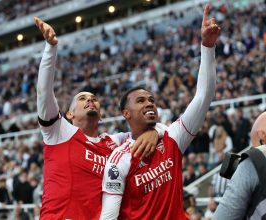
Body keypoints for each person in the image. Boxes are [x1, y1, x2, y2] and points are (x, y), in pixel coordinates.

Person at [34, 17, 166, 219]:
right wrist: (50, 49)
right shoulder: (58, 133)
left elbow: (163, 129)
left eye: (94, 98)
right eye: (82, 98)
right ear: (69, 114)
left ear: (101, 113)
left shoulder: (115, 143)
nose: (90, 100)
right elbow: (44, 92)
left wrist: (154, 131)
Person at [100, 4, 220, 219]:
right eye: (140, 101)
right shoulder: (119, 160)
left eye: (151, 100)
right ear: (125, 113)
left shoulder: (173, 137)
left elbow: (203, 97)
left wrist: (207, 48)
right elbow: (108, 216)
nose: (149, 104)